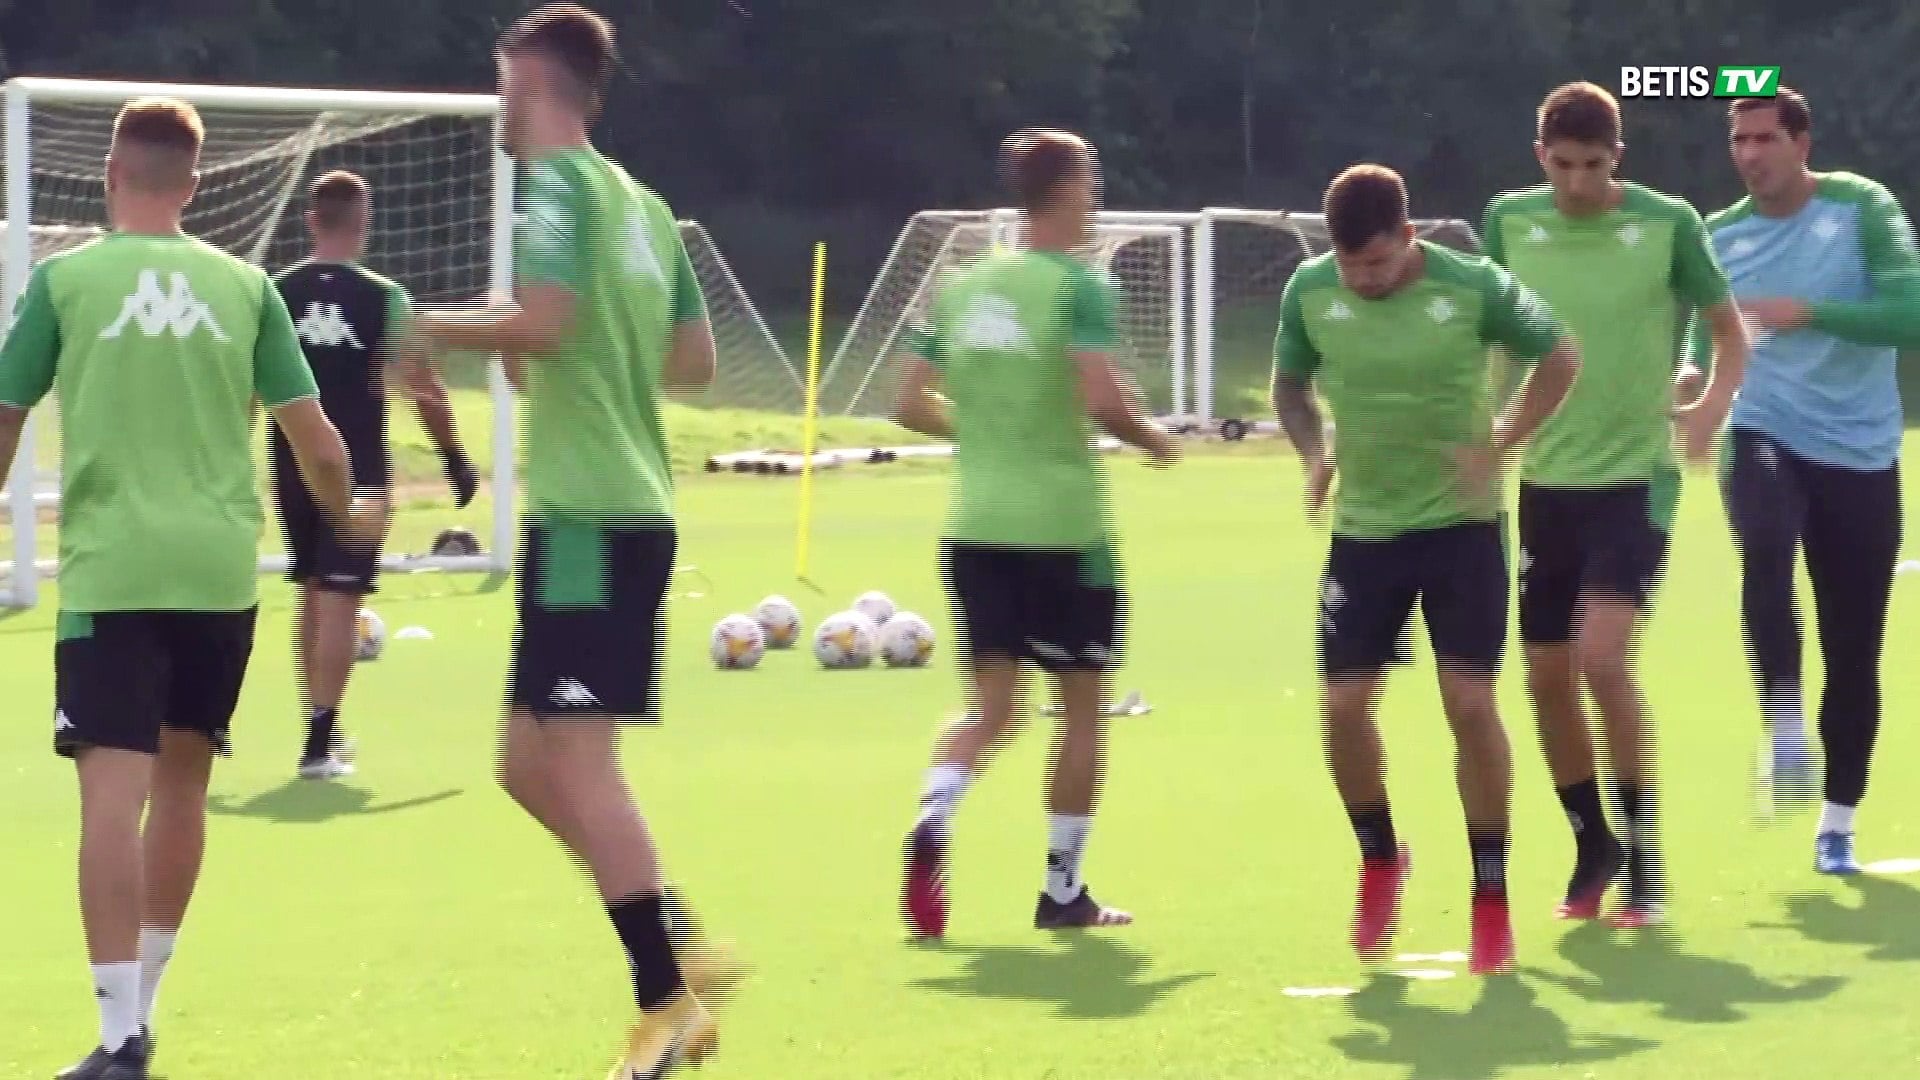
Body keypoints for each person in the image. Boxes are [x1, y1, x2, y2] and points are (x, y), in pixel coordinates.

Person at [0, 98, 381, 1080]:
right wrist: (346, 519)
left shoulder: (64, 281)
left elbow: (4, 417)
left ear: (111, 175)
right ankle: (146, 1009)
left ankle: (117, 1034)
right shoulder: (247, 287)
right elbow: (317, 440)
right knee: (182, 786)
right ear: (196, 185)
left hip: (115, 570)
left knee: (108, 799)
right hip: (218, 574)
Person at [400, 6, 742, 1077]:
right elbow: (694, 361)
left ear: (532, 85)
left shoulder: (552, 190)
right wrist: (557, 349)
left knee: (584, 765)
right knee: (522, 764)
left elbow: (544, 325)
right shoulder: (643, 204)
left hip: (592, 517)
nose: (499, 108)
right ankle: (675, 937)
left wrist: (423, 325)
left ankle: (665, 1003)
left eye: (503, 87)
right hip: (619, 508)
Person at [1271, 163, 1579, 976]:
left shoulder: (1475, 285)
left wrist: (1501, 441)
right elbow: (1290, 387)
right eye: (1350, 266)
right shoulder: (1309, 291)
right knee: (1343, 708)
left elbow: (1560, 356)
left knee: (1469, 704)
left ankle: (1490, 895)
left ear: (1408, 237)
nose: (1363, 280)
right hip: (1365, 533)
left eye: (1377, 263)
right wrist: (1313, 453)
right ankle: (1380, 857)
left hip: (1461, 530)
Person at [893, 127, 1179, 939]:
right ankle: (1062, 892)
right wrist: (1156, 440)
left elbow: (906, 402)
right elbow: (1104, 398)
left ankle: (935, 811)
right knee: (1081, 712)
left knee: (990, 711)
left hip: (975, 529)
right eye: (1091, 180)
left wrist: (989, 433)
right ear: (1072, 187)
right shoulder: (1079, 286)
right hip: (1064, 533)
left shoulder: (961, 284)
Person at [1480, 82, 1750, 927]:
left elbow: (1728, 330)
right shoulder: (1509, 221)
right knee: (1545, 678)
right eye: (1562, 165)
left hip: (1636, 479)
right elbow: (1492, 341)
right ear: (1540, 156)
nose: (1577, 182)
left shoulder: (1669, 223)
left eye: (1593, 166)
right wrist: (1487, 434)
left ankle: (1645, 855)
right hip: (1546, 483)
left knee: (1602, 659)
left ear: (1617, 159)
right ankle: (1591, 842)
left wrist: (1709, 407)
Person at [1689, 88, 1920, 874]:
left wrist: (1808, 312)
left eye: (1765, 138)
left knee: (1854, 651)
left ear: (1801, 143)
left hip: (1860, 451)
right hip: (1764, 426)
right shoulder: (1719, 234)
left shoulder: (1862, 207)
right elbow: (1705, 334)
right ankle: (1784, 720)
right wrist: (1692, 381)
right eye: (1740, 140)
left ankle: (1838, 823)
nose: (1750, 154)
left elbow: (1910, 314)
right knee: (1764, 542)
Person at [270, 169, 477, 781]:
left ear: (310, 221)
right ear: (365, 225)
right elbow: (424, 388)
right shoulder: (385, 298)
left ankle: (319, 724)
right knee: (339, 598)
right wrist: (453, 456)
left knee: (313, 591)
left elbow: (249, 388)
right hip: (358, 471)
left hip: (291, 464)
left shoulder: (274, 294)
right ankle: (319, 741)